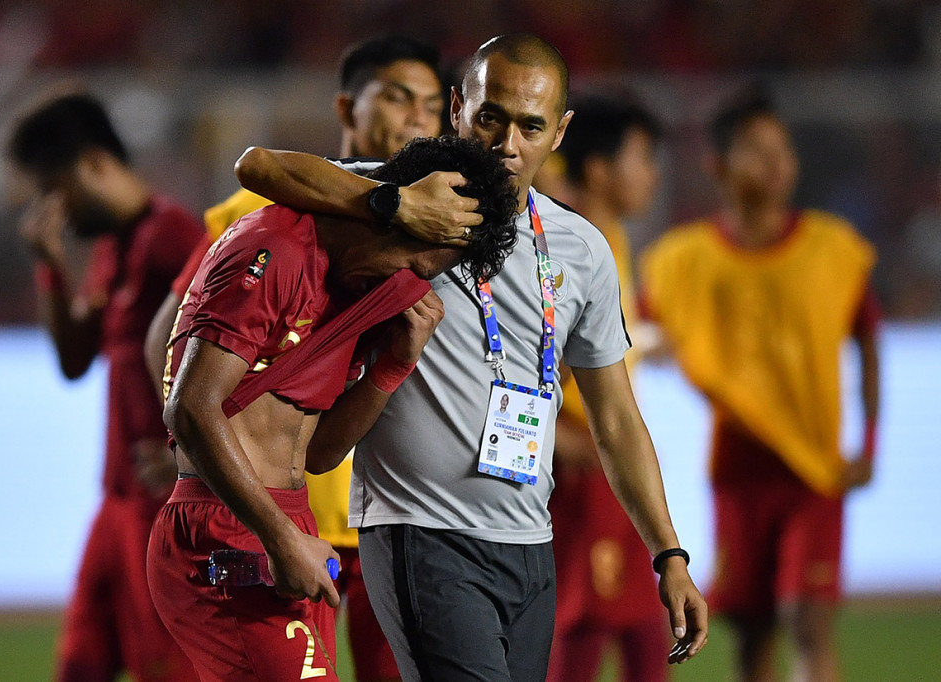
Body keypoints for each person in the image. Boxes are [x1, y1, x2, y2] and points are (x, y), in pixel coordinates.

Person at [234, 33, 708, 682]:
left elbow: (617, 419)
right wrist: (391, 203)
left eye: (531, 126)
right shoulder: (407, 193)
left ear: (560, 132)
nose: (507, 144)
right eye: (491, 117)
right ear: (458, 108)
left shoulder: (581, 249)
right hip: (420, 531)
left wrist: (670, 554)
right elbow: (259, 167)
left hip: (529, 543)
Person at [147, 135, 519, 682]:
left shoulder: (360, 289)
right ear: (399, 213)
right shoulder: (276, 249)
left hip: (291, 523)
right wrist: (280, 538)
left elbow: (319, 453)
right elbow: (191, 409)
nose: (409, 283)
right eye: (414, 260)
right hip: (226, 528)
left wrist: (393, 365)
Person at [142, 36, 447, 682]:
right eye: (398, 97)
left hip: (351, 519)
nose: (417, 117)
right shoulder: (268, 223)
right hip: (252, 519)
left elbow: (318, 446)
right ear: (348, 106)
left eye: (431, 105)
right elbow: (175, 359)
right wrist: (187, 445)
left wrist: (393, 365)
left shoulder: (386, 282)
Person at [639, 87, 880, 682]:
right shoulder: (682, 261)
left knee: (808, 621)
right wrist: (656, 345)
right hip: (736, 471)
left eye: (785, 149)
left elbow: (869, 339)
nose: (778, 163)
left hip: (812, 468)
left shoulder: (832, 248)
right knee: (749, 636)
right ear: (717, 164)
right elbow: (632, 333)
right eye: (757, 150)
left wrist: (869, 443)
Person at [8, 92, 202, 681]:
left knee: (165, 669)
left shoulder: (174, 236)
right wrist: (50, 265)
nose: (48, 204)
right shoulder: (112, 250)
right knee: (81, 665)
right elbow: (73, 362)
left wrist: (189, 461)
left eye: (51, 184)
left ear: (94, 164)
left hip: (161, 503)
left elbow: (235, 353)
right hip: (116, 500)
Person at [543, 93, 670, 682]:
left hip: (604, 458)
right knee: (587, 623)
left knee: (644, 623)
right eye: (641, 158)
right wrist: (556, 441)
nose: (653, 174)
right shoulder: (566, 239)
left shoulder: (610, 237)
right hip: (579, 462)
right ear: (598, 168)